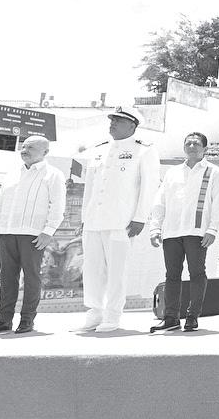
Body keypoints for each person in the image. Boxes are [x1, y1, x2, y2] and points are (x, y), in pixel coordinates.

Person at [77, 106, 161, 332]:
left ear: (132, 125)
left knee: (116, 270)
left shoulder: (144, 150)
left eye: (118, 120)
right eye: (112, 120)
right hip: (94, 219)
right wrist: (85, 217)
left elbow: (149, 186)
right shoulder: (100, 150)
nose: (112, 123)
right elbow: (90, 188)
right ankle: (94, 312)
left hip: (121, 221)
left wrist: (140, 217)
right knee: (92, 269)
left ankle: (112, 315)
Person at [0, 135, 66, 335]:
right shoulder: (12, 174)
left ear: (45, 152)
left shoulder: (53, 175)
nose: (25, 150)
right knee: (7, 278)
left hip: (33, 235)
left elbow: (57, 206)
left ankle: (27, 319)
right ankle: (3, 320)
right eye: (24, 146)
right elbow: (0, 203)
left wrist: (48, 231)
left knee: (31, 277)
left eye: (31, 147)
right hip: (7, 232)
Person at [148, 132, 219, 333]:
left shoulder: (214, 172)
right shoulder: (172, 172)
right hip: (172, 231)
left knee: (197, 273)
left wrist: (212, 229)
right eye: (188, 143)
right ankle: (171, 317)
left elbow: (218, 203)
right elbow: (160, 201)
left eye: (196, 143)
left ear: (205, 148)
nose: (192, 146)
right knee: (172, 275)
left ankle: (192, 316)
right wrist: (155, 227)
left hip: (197, 231)